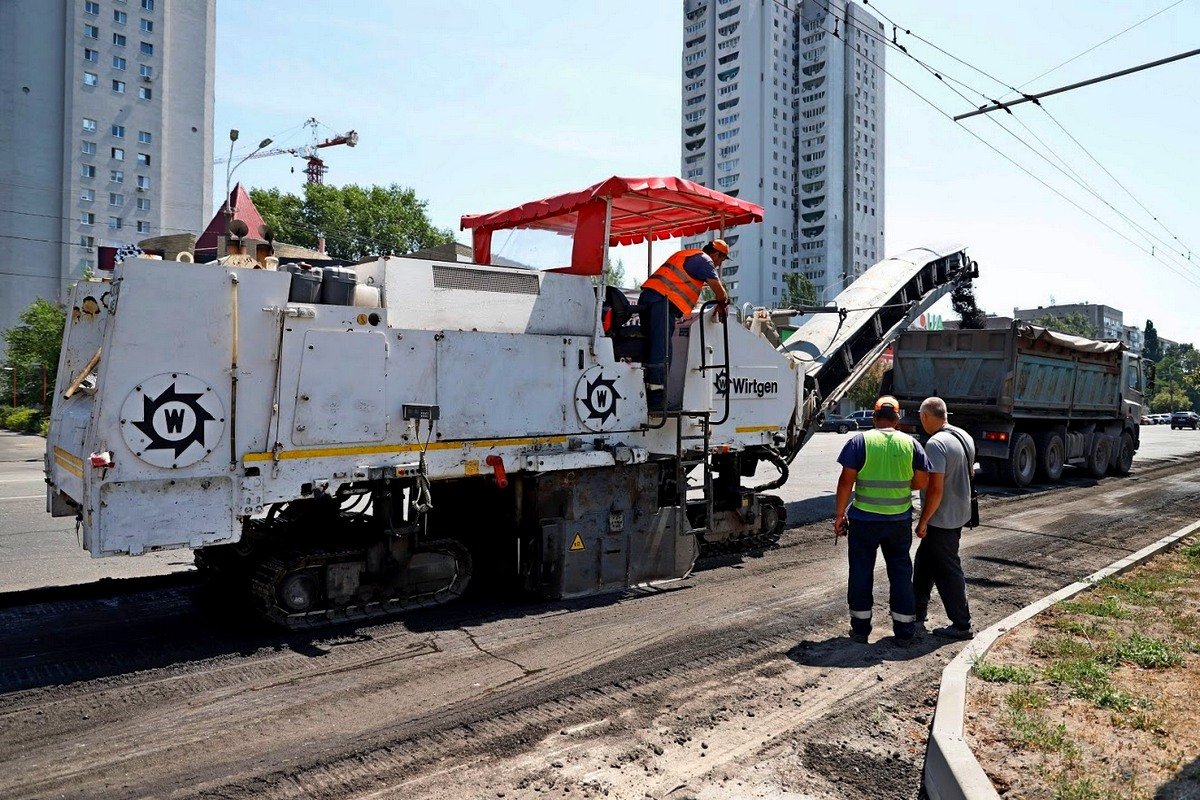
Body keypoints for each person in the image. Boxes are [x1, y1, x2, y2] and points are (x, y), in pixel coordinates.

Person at [834, 396, 930, 646]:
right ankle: (904, 630)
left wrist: (839, 514)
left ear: (874, 417)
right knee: (900, 572)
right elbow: (921, 482)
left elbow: (846, 481)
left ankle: (861, 629)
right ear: (897, 419)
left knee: (861, 572)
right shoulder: (912, 444)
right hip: (898, 521)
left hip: (864, 521)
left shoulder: (859, 441)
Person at [638, 239, 733, 411]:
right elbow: (719, 290)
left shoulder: (688, 255)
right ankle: (655, 402)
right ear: (716, 254)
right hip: (661, 302)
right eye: (722, 259)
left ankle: (647, 397)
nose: (720, 264)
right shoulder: (704, 260)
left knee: (652, 349)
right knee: (662, 352)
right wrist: (723, 303)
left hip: (651, 299)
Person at [913, 396, 976, 640]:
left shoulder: (935, 444)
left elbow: (935, 489)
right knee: (924, 564)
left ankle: (962, 624)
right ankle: (916, 612)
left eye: (921, 417)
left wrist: (923, 521)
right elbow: (970, 473)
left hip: (942, 518)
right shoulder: (963, 436)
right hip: (959, 513)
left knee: (947, 569)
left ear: (926, 416)